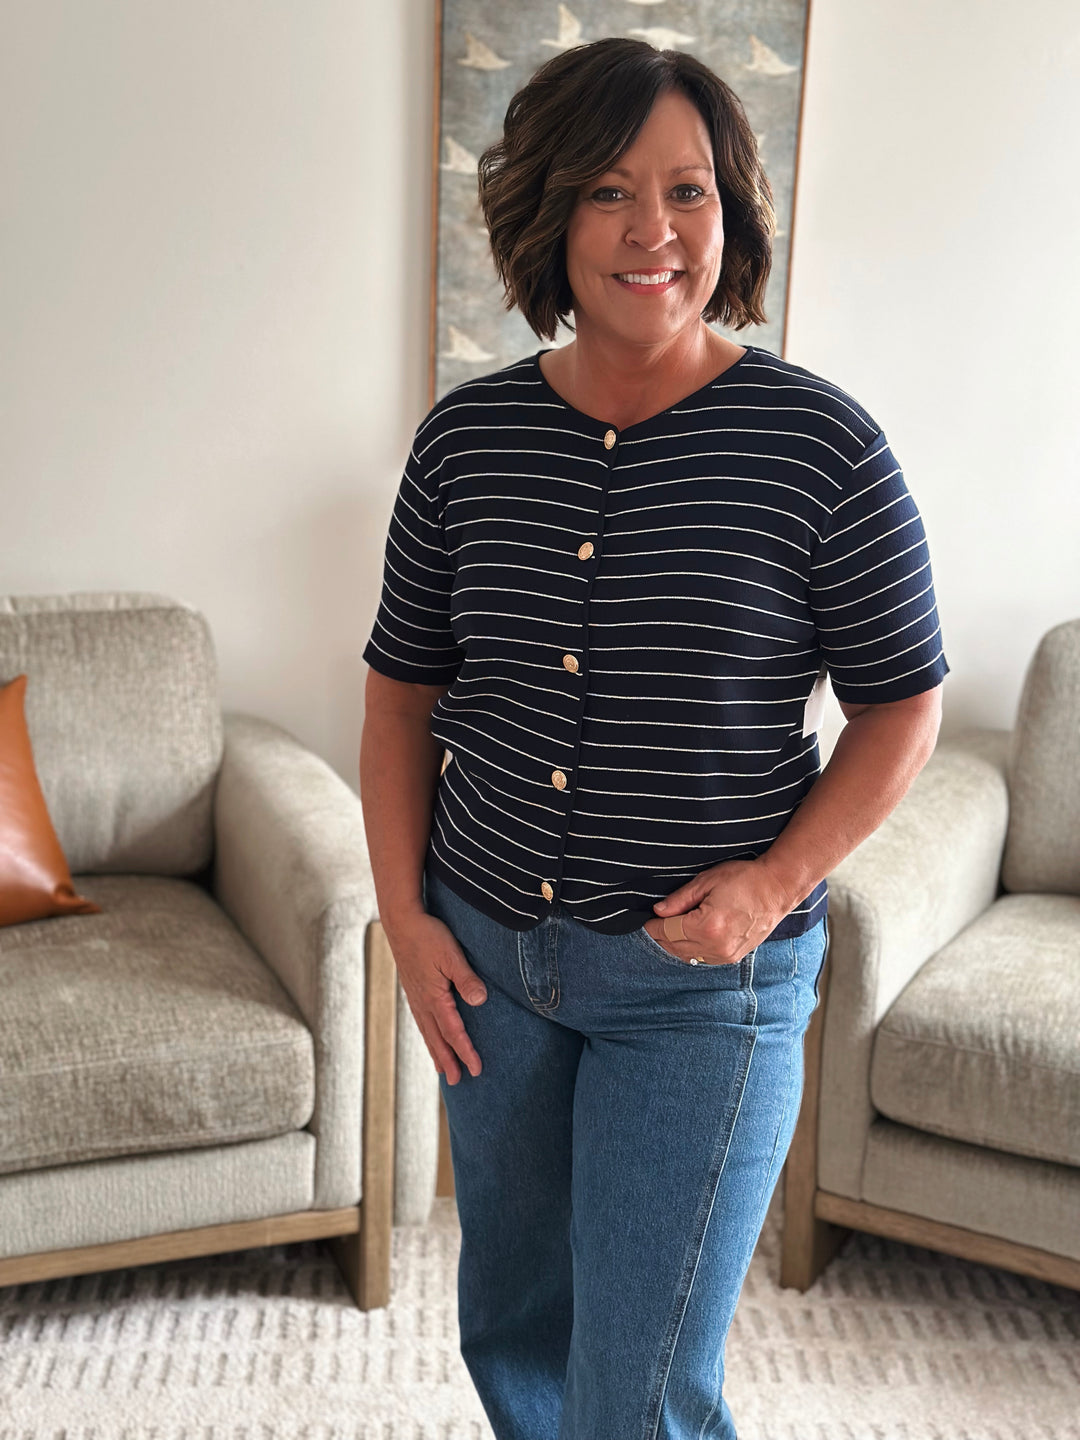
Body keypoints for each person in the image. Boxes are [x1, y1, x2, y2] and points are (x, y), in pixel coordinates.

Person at [360, 36, 948, 1440]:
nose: (652, 233)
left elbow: (903, 707)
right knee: (515, 1335)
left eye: (688, 192)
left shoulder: (820, 447)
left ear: (731, 215)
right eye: (611, 193)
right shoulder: (466, 441)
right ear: (548, 217)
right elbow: (399, 702)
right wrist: (406, 921)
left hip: (702, 991)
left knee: (641, 1388)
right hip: (486, 964)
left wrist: (768, 885)